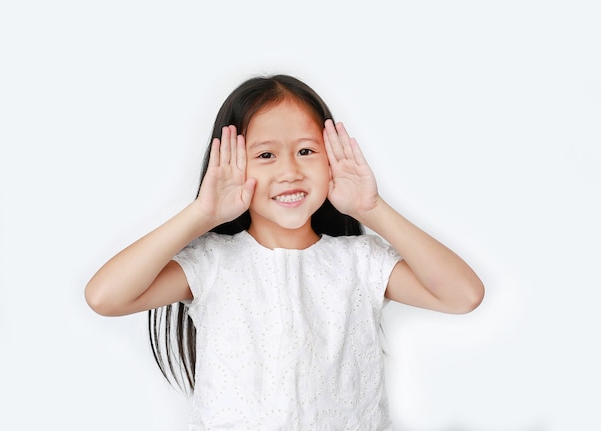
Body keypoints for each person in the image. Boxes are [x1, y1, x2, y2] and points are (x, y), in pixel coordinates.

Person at [85, 74, 484, 430]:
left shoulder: (360, 261)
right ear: (231, 164)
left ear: (332, 157)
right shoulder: (212, 263)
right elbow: (105, 297)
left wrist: (371, 209)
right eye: (265, 155)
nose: (289, 170)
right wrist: (201, 215)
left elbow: (463, 295)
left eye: (306, 151)